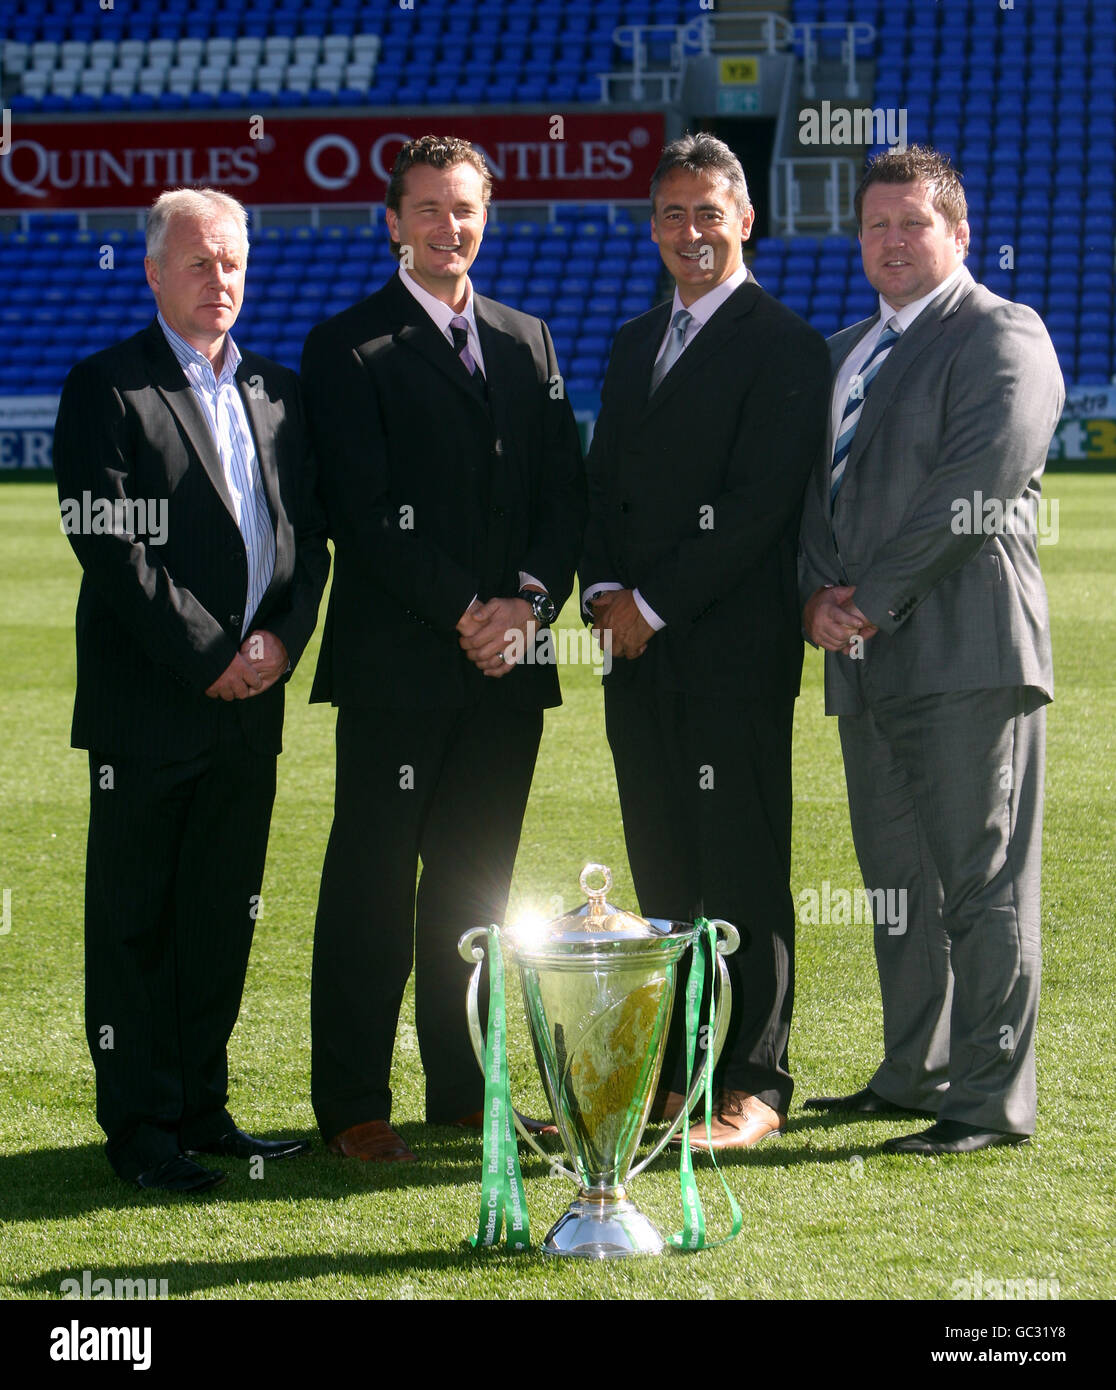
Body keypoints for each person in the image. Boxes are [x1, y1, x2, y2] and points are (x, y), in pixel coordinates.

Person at [301, 135, 585, 1162]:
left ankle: (464, 1091)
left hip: (509, 673)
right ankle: (352, 1105)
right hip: (399, 669)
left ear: (485, 217)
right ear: (393, 222)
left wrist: (528, 602)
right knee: (372, 886)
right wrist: (471, 607)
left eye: (464, 209)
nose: (448, 226)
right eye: (427, 209)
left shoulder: (529, 340)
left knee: (476, 891)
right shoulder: (347, 345)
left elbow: (566, 495)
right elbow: (359, 512)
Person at [53, 188, 329, 1192]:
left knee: (222, 915)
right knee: (135, 924)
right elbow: (109, 546)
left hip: (253, 704)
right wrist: (215, 650)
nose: (222, 281)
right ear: (155, 272)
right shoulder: (106, 387)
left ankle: (203, 1108)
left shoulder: (281, 393)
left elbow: (310, 545)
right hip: (151, 708)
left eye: (234, 264)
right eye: (202, 263)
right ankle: (139, 1126)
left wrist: (281, 645)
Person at [798, 145, 1064, 1154]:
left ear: (957, 233)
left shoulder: (1003, 333)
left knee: (982, 881)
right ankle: (916, 1071)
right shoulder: (843, 352)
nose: (893, 241)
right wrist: (814, 599)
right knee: (898, 884)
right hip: (866, 658)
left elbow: (978, 487)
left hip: (968, 655)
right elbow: (809, 502)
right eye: (877, 225)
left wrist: (869, 599)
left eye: (914, 223)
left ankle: (991, 1097)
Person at [580, 133, 830, 1148]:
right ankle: (678, 1076)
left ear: (745, 220)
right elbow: (600, 485)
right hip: (635, 655)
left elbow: (759, 502)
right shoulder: (635, 342)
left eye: (710, 213)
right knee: (664, 871)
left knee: (743, 869)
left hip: (727, 651)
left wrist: (652, 603)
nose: (692, 233)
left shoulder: (786, 344)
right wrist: (603, 592)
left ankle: (756, 1082)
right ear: (653, 228)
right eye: (674, 216)